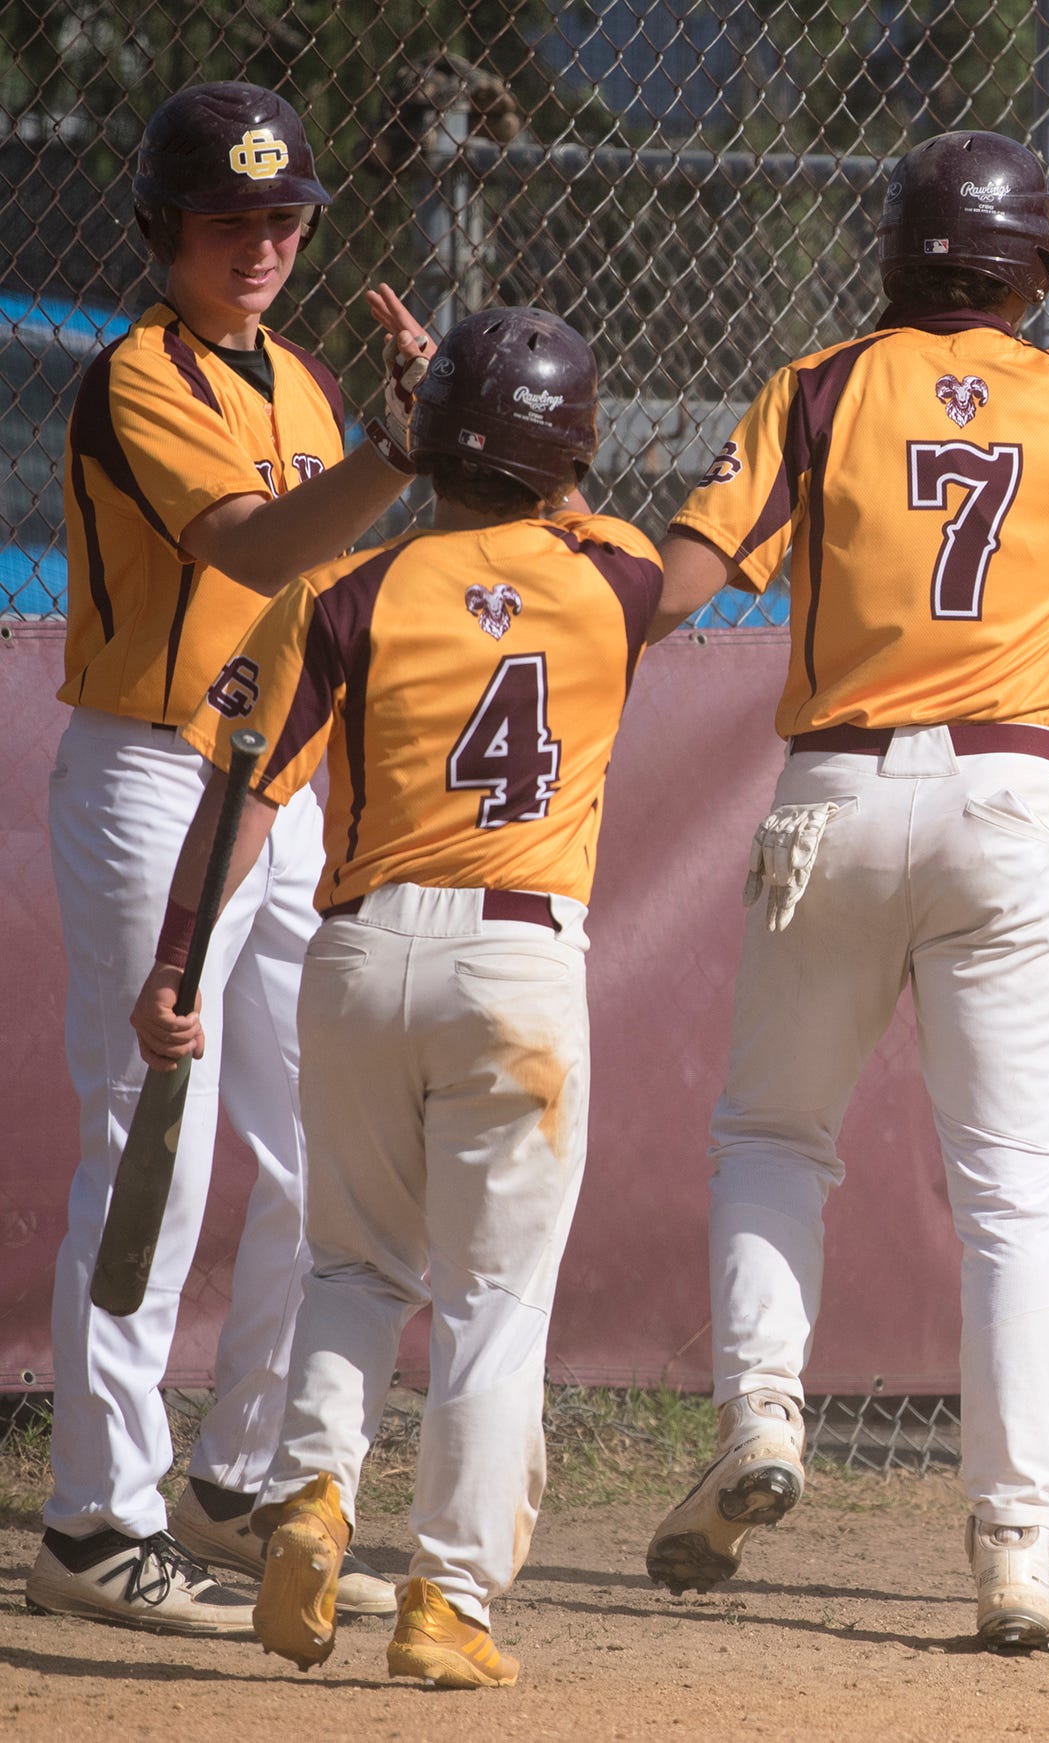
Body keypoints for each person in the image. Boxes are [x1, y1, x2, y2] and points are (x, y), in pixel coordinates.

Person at [638, 131, 1049, 1653]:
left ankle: (764, 1421)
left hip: (836, 797)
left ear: (899, 255)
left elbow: (677, 586)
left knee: (775, 1136)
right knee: (1013, 1197)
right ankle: (1016, 1550)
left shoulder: (825, 382)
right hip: (1002, 799)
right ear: (1037, 265)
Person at [127, 307, 655, 1686]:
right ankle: (451, 1601)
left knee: (357, 1264)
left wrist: (178, 964)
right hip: (519, 967)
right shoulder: (618, 579)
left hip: (360, 957)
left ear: (427, 449)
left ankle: (310, 1492)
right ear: (569, 454)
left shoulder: (349, 592)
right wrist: (521, 440)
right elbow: (580, 515)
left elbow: (241, 801)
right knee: (493, 1294)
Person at [29, 79, 428, 1634]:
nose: (259, 239)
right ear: (162, 233)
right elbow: (257, 549)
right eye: (225, 218)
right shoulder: (137, 378)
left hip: (276, 788)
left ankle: (240, 1481)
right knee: (155, 1153)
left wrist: (410, 438)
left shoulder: (310, 383)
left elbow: (331, 586)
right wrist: (398, 454)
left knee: (324, 1143)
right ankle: (93, 1523)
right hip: (150, 779)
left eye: (282, 215)